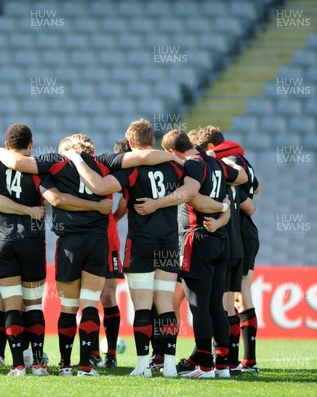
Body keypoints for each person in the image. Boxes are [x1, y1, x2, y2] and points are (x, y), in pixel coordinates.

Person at [0, 124, 113, 376]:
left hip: (2, 243)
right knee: (34, 306)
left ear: (6, 145)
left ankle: (15, 365)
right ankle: (38, 363)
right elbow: (56, 199)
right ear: (31, 145)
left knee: (11, 306)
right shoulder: (38, 169)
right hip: (33, 242)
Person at [0, 132, 175, 376]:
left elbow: (22, 166)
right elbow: (143, 156)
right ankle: (86, 365)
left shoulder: (57, 162)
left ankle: (65, 364)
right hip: (98, 242)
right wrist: (177, 160)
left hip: (69, 244)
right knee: (89, 305)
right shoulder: (103, 163)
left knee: (67, 308)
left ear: (68, 150)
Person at [64, 120, 231, 378]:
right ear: (152, 141)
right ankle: (170, 366)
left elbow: (98, 187)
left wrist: (75, 159)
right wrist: (219, 207)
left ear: (131, 144)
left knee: (142, 306)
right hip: (167, 243)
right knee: (165, 305)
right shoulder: (173, 165)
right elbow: (190, 192)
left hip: (140, 243)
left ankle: (143, 365)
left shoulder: (130, 168)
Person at [160, 129, 247, 378]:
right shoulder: (215, 162)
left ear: (172, 151)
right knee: (216, 307)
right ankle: (222, 366)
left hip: (197, 238)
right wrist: (225, 209)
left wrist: (157, 202)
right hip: (221, 239)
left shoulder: (195, 165)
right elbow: (240, 176)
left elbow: (189, 195)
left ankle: (205, 366)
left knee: (199, 307)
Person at [193, 127, 260, 375]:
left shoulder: (223, 166)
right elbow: (254, 193)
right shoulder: (242, 163)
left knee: (226, 301)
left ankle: (226, 360)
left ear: (211, 146)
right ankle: (243, 360)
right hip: (245, 235)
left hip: (233, 235)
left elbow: (248, 205)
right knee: (240, 296)